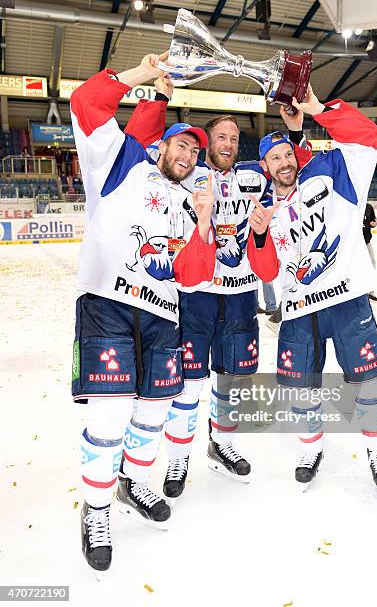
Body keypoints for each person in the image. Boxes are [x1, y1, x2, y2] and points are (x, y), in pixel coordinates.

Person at [71, 53, 216, 575]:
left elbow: (195, 274)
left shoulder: (189, 201)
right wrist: (143, 76)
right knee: (108, 416)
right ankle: (98, 509)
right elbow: (87, 101)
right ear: (160, 146)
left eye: (196, 151)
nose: (190, 154)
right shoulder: (120, 164)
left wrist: (203, 223)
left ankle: (133, 481)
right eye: (182, 143)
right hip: (108, 306)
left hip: (163, 316)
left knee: (153, 415)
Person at [247, 85, 377, 492]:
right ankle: (309, 448)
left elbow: (368, 136)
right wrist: (258, 235)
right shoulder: (263, 209)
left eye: (286, 154)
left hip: (347, 301)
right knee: (301, 388)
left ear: (297, 153)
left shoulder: (331, 172)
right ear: (264, 166)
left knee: (368, 382)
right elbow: (266, 269)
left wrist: (315, 108)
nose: (283, 162)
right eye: (273, 158)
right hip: (298, 311)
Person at [126, 93, 272, 502]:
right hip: (196, 297)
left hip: (242, 296)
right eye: (221, 137)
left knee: (229, 379)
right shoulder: (185, 176)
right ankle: (178, 458)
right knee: (188, 386)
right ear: (207, 144)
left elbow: (288, 171)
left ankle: (220, 443)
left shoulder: (255, 178)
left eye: (234, 139)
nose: (228, 143)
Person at [363, 202, 377, 301]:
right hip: (354, 244)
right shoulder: (351, 205)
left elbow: (373, 222)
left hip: (367, 242)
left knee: (371, 264)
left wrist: (374, 224)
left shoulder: (368, 207)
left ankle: (369, 290)